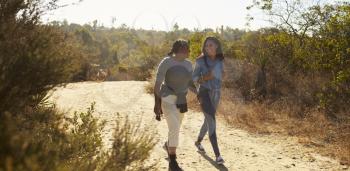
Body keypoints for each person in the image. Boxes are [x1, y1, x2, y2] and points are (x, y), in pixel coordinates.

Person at [153, 39, 196, 171]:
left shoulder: (189, 64)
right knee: (175, 127)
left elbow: (190, 82)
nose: (188, 51)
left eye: (188, 48)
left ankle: (168, 146)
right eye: (186, 48)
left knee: (175, 128)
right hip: (167, 98)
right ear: (178, 50)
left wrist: (200, 94)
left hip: (181, 100)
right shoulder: (166, 62)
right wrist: (157, 104)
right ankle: (173, 161)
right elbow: (158, 84)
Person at [192, 36, 225, 165]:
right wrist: (206, 77)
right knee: (211, 121)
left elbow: (221, 75)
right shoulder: (200, 61)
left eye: (210, 45)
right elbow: (194, 79)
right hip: (204, 93)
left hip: (216, 93)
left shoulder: (220, 59)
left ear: (216, 46)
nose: (208, 48)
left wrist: (222, 74)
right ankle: (218, 155)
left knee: (208, 120)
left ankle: (198, 142)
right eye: (206, 46)